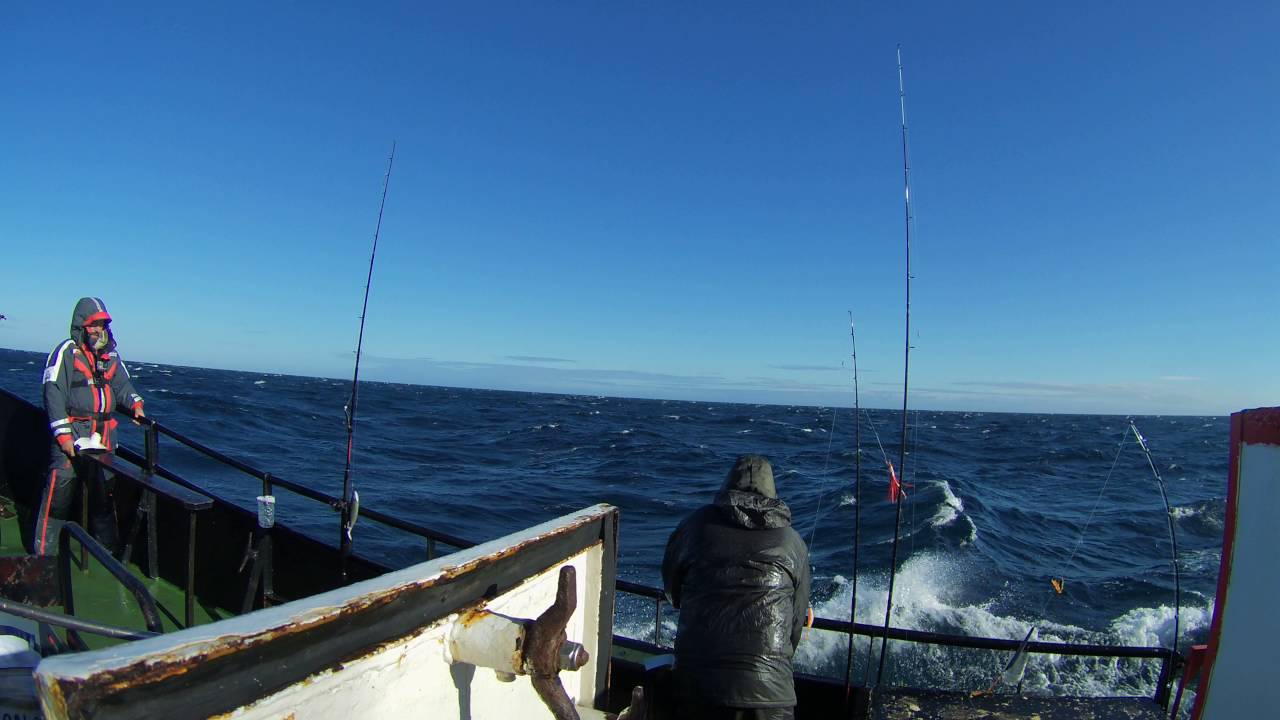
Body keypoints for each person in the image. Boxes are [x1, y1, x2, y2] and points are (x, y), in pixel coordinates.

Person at [661, 454, 811, 720]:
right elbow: (794, 626)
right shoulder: (793, 542)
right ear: (772, 492)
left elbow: (672, 590)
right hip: (771, 694)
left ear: (727, 485)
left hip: (698, 685)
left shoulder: (695, 525)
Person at [34, 297, 145, 555]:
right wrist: (63, 436)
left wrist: (135, 405)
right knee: (58, 499)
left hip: (104, 440)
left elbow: (122, 387)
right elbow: (53, 392)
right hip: (72, 438)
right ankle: (44, 555)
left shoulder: (111, 356)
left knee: (103, 499)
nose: (98, 329)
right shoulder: (65, 352)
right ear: (81, 325)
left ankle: (107, 555)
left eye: (103, 324)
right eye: (94, 324)